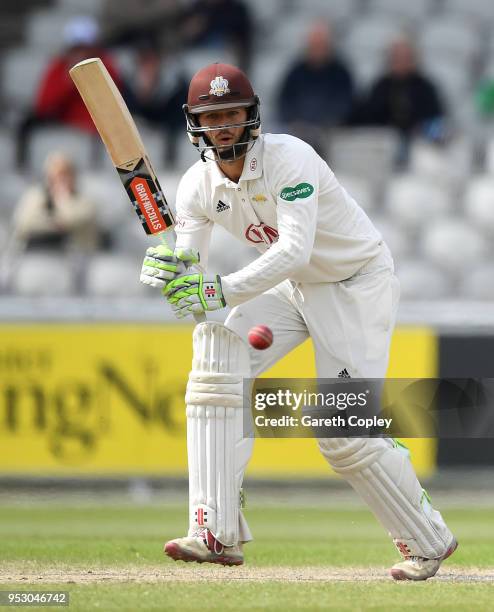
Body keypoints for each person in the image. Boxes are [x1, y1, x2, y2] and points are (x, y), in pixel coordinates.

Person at [139, 63, 457, 580]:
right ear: (195, 123)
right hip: (293, 287)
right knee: (215, 346)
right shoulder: (196, 185)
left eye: (232, 113)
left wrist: (217, 289)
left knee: (342, 433)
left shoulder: (291, 158)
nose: (222, 125)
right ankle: (214, 530)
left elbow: (293, 250)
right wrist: (172, 270)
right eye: (211, 116)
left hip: (355, 282)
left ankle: (429, 539)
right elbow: (193, 274)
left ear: (251, 115)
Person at [16, 16, 120, 169]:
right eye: (76, 48)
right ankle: (22, 166)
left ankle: (97, 167)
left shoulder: (106, 67)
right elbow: (43, 104)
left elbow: (112, 104)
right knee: (25, 123)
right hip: (61, 118)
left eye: (85, 47)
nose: (80, 52)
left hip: (92, 123)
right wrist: (68, 81)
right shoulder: (58, 67)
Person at [353, 36, 446, 163]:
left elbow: (436, 120)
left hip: (417, 146)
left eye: (405, 57)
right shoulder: (380, 86)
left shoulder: (426, 88)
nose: (401, 61)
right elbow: (368, 118)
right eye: (397, 57)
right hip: (383, 147)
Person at [276, 22, 355, 155]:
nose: (317, 49)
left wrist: (327, 122)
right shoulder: (295, 71)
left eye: (321, 45)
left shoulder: (341, 73)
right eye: (314, 45)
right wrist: (294, 121)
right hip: (298, 128)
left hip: (329, 131)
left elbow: (346, 104)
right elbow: (284, 101)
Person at [12, 152, 99, 252]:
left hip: (76, 259)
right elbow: (23, 224)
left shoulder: (86, 203)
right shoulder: (35, 197)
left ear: (74, 176)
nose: (59, 180)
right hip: (36, 255)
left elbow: (67, 221)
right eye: (54, 176)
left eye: (64, 175)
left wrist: (62, 198)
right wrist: (52, 221)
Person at [122, 40, 188, 166]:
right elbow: (128, 112)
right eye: (143, 61)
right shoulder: (129, 84)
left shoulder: (177, 85)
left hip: (169, 139)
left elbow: (178, 118)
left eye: (151, 61)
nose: (148, 67)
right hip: (142, 136)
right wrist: (141, 97)